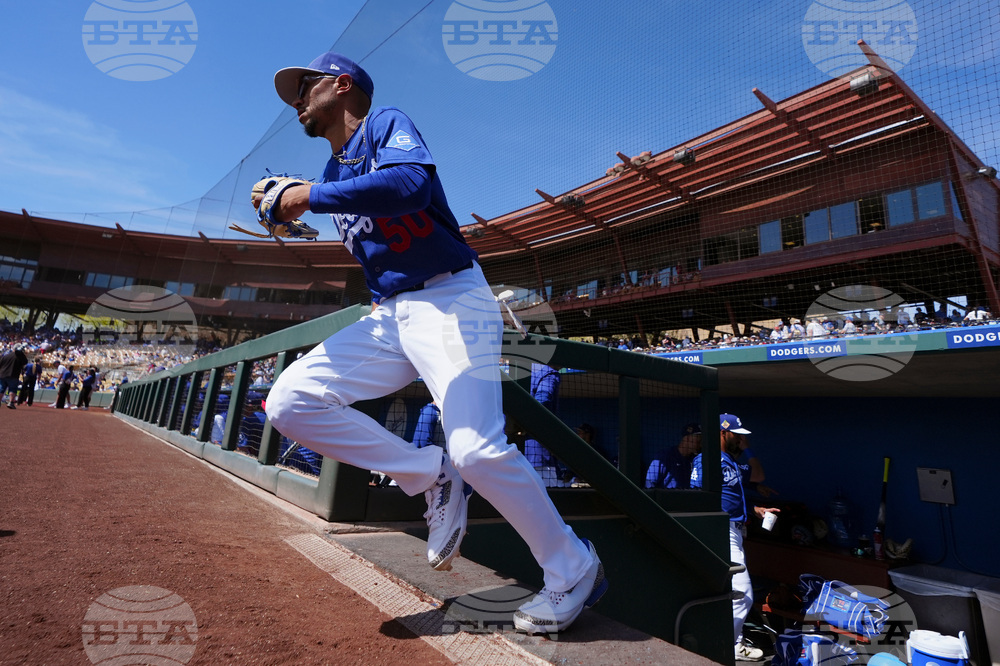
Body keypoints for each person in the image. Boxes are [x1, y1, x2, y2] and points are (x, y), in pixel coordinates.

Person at [258, 51, 606, 633]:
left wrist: (307, 196)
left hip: (451, 299)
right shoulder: (338, 178)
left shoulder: (385, 124)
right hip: (392, 315)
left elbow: (411, 187)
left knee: (477, 449)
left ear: (342, 86)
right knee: (290, 401)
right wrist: (294, 213)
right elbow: (375, 245)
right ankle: (425, 472)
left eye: (306, 87)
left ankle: (573, 567)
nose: (297, 100)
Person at [690, 414, 780, 662]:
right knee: (743, 592)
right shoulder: (708, 460)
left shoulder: (729, 461)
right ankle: (720, 647)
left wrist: (756, 510)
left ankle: (732, 643)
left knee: (729, 592)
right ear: (722, 433)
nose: (740, 438)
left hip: (735, 530)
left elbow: (751, 481)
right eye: (736, 434)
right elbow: (697, 497)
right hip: (720, 530)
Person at [523, 363, 571, 488]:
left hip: (511, 454)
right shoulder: (548, 373)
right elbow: (542, 403)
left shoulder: (521, 370)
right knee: (548, 503)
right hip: (538, 456)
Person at [645, 423, 701, 489]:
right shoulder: (664, 456)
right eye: (699, 440)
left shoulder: (695, 460)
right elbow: (649, 483)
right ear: (687, 439)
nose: (701, 444)